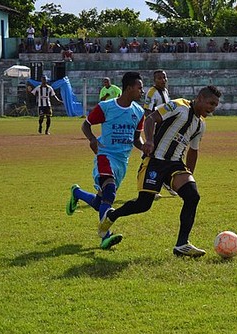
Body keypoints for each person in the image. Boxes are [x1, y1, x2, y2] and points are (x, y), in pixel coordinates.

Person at [97, 86, 222, 258]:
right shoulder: (178, 106)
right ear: (200, 98)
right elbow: (151, 119)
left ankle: (182, 244)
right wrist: (149, 141)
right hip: (155, 161)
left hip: (175, 164)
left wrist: (189, 175)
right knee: (144, 204)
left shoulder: (200, 124)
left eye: (215, 105)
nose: (213, 108)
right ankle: (112, 215)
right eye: (211, 103)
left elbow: (194, 150)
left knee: (193, 196)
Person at [66, 72, 145, 250]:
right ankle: (105, 238)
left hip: (122, 162)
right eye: (139, 87)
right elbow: (85, 124)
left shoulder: (138, 112)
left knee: (100, 202)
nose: (142, 91)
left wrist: (145, 147)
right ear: (129, 88)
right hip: (105, 155)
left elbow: (136, 140)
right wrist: (92, 139)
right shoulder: (106, 107)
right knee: (109, 194)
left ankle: (77, 193)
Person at [143, 70, 178, 198]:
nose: (163, 80)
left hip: (165, 129)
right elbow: (147, 111)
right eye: (159, 78)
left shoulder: (165, 91)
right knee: (151, 157)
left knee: (165, 156)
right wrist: (150, 134)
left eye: (164, 77)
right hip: (156, 130)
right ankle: (149, 188)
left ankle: (165, 183)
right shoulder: (152, 92)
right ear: (154, 80)